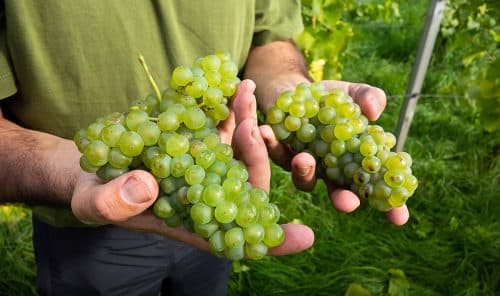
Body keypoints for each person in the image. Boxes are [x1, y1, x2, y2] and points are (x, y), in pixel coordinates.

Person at [0, 1, 409, 295]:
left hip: (215, 209)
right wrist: (68, 171)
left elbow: (270, 40)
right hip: (81, 224)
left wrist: (288, 93)